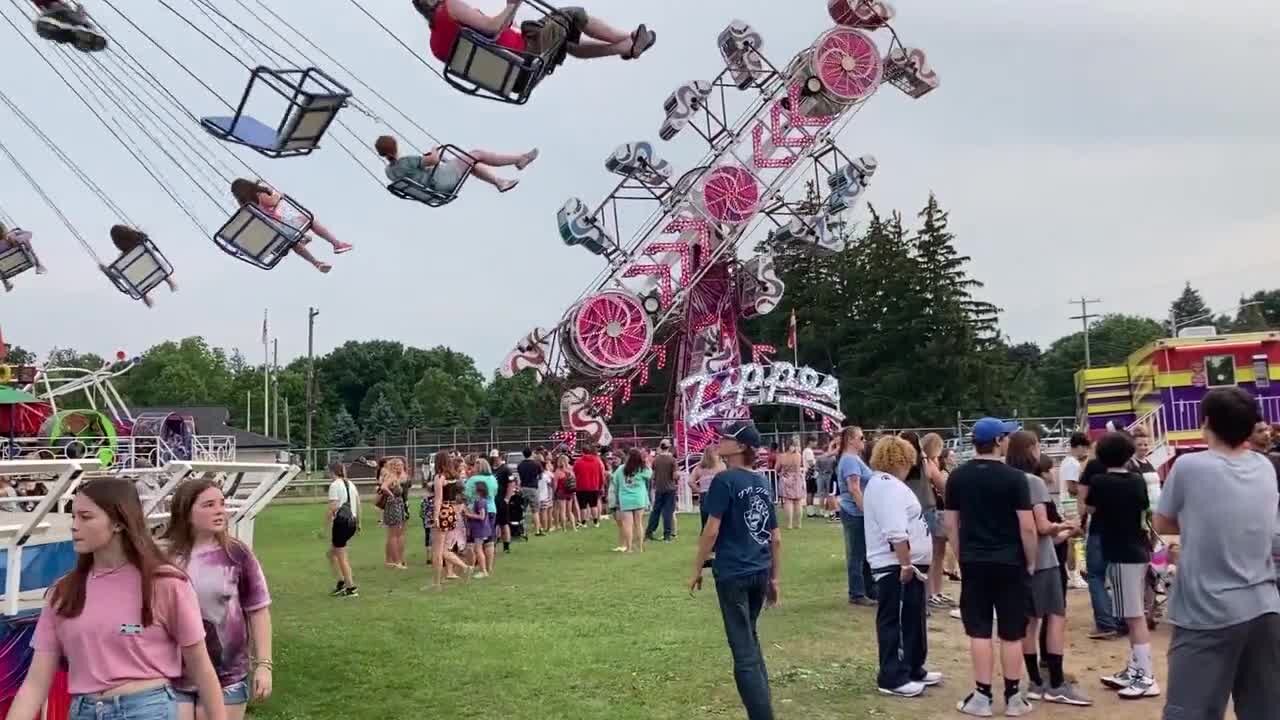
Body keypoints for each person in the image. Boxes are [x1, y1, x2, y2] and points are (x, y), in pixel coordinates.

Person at [7, 478, 226, 720]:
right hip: (83, 711)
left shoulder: (167, 584)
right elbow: (35, 684)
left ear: (119, 522)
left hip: (148, 710)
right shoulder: (63, 592)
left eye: (86, 517)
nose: (74, 526)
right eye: (73, 517)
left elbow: (202, 669)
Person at [1154, 388, 1280, 719]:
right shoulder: (1264, 466)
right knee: (1264, 709)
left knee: (1191, 710)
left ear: (1206, 423)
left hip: (1207, 610)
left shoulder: (1189, 467)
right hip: (1265, 606)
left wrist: (1198, 528)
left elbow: (1163, 521)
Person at [944, 417, 1037, 717]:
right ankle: (1012, 697)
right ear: (998, 441)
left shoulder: (957, 477)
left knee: (979, 631)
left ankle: (982, 696)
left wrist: (961, 557)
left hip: (974, 561)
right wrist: (1031, 560)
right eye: (1005, 436)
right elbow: (1027, 527)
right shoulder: (1014, 478)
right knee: (1011, 632)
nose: (1008, 440)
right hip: (1010, 562)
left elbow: (951, 524)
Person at [688, 420, 780, 720]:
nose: (719, 441)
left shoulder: (724, 481)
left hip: (733, 573)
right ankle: (764, 707)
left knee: (743, 650)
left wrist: (696, 568)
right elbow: (775, 537)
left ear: (741, 447)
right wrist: (774, 577)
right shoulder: (763, 482)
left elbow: (711, 531)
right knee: (750, 639)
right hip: (760, 569)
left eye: (727, 437)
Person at [162, 479, 274, 719]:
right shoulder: (162, 557)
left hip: (227, 676)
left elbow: (258, 610)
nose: (220, 510)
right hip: (173, 675)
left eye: (222, 503)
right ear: (185, 511)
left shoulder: (237, 554)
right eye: (209, 505)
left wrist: (264, 665)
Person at [1005, 433, 1091, 706]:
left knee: (1029, 622)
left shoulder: (1005, 480)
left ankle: (1033, 681)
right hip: (1042, 560)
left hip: (1013, 560)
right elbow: (1041, 527)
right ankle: (1055, 682)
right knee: (1055, 616)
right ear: (1031, 449)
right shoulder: (1033, 483)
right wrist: (1066, 527)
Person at [863, 435, 942, 698]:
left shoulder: (888, 485)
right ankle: (892, 676)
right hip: (896, 566)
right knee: (895, 620)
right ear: (904, 460)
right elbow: (895, 530)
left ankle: (912, 666)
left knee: (912, 618)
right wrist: (905, 563)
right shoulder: (887, 487)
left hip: (909, 564)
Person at [1087, 431, 1160, 700]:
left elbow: (1092, 509)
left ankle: (1146, 676)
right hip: (1137, 548)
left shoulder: (1099, 481)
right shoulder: (1137, 480)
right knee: (1132, 613)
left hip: (1120, 552)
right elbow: (1143, 508)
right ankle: (1135, 668)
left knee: (1133, 615)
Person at [412, 0, 656, 68]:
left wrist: (506, 25)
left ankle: (626, 47)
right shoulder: (450, 7)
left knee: (566, 45)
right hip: (527, 53)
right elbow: (491, 29)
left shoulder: (436, 45)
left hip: (517, 73)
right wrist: (512, 4)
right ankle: (629, 37)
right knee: (572, 14)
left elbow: (485, 44)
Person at [228, 179, 351, 273]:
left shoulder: (245, 207)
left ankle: (316, 263)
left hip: (275, 238)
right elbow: (274, 201)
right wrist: (277, 194)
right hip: (282, 230)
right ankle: (336, 244)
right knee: (308, 220)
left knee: (291, 242)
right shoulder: (259, 196)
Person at [375, 136, 537, 196]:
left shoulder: (389, 172)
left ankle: (500, 182)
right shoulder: (406, 161)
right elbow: (433, 160)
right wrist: (433, 151)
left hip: (434, 187)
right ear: (395, 147)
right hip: (442, 179)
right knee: (476, 153)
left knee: (468, 163)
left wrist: (428, 162)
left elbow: (417, 172)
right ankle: (519, 159)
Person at [1077, 448, 1125, 639]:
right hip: (1123, 531)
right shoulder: (1130, 472)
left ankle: (1106, 623)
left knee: (1096, 576)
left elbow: (1087, 505)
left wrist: (1081, 520)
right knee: (1119, 578)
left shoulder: (1094, 470)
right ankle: (1122, 620)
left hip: (1099, 529)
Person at [836, 426, 877, 606]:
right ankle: (857, 593)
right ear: (850, 439)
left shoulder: (852, 459)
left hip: (855, 511)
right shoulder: (850, 461)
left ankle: (869, 590)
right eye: (861, 438)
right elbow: (854, 488)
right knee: (856, 554)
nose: (864, 441)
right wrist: (865, 510)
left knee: (863, 553)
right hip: (854, 512)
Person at [919, 433, 952, 608]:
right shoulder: (929, 464)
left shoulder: (926, 463)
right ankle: (932, 592)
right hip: (935, 510)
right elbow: (942, 486)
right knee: (934, 555)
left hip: (935, 509)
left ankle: (936, 591)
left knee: (939, 555)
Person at [107, 225, 177, 308]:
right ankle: (169, 281)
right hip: (159, 272)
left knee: (129, 272)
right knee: (151, 258)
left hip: (140, 285)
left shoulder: (121, 260)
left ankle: (145, 297)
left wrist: (106, 271)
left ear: (116, 243)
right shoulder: (142, 244)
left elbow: (118, 276)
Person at [429, 451, 470, 588]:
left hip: (443, 511)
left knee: (437, 551)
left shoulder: (439, 477)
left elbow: (438, 499)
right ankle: (464, 567)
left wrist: (435, 517)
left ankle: (436, 582)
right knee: (445, 548)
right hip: (451, 511)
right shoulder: (453, 476)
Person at [1058, 432, 1090, 591]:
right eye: (1084, 448)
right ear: (1078, 446)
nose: (1085, 452)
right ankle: (1074, 575)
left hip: (1067, 502)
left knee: (1074, 539)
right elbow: (1072, 487)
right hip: (1071, 503)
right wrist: (1085, 491)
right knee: (1075, 539)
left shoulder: (1067, 461)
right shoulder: (1072, 463)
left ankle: (1075, 573)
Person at [326, 462, 359, 597]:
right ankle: (341, 581)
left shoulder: (334, 485)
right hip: (352, 522)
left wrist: (325, 525)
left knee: (341, 556)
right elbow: (358, 503)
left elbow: (333, 507)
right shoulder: (350, 484)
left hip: (342, 522)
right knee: (331, 554)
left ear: (331, 471)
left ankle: (350, 586)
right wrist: (359, 522)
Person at [610, 447, 651, 553]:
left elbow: (616, 483)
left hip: (625, 499)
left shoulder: (621, 469)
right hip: (639, 498)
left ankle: (629, 548)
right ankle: (641, 547)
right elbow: (650, 475)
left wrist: (617, 499)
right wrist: (646, 463)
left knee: (627, 524)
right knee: (639, 524)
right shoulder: (641, 469)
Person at [464, 458, 499, 571]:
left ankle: (471, 567)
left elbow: (466, 495)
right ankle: (489, 567)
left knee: (473, 541)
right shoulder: (493, 478)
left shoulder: (472, 479)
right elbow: (495, 492)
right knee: (489, 540)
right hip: (491, 509)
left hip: (476, 510)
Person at [32, 0, 106, 52]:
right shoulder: (78, 22)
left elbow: (80, 9)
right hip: (56, 12)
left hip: (54, 12)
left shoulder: (64, 34)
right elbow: (80, 9)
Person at [377, 458, 409, 569]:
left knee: (398, 533)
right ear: (393, 466)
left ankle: (396, 560)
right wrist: (391, 495)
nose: (400, 467)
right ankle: (396, 561)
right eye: (398, 465)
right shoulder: (391, 476)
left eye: (401, 465)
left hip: (398, 505)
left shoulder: (397, 476)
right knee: (393, 534)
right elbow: (383, 487)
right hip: (393, 505)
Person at [645, 440, 679, 541]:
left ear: (660, 447)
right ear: (669, 447)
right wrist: (677, 478)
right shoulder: (673, 460)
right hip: (670, 489)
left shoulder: (656, 460)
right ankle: (667, 535)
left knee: (656, 511)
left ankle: (649, 532)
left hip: (659, 488)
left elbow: (653, 475)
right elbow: (675, 475)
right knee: (668, 512)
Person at [0, 223, 47, 288]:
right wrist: (16, 240)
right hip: (24, 258)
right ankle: (38, 264)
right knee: (24, 241)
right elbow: (29, 234)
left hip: (5, 269)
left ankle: (5, 281)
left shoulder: (10, 237)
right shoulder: (13, 235)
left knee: (22, 240)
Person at [573, 444, 606, 527]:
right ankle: (596, 522)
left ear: (582, 452)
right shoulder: (596, 461)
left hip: (581, 487)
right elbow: (601, 474)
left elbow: (575, 473)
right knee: (593, 505)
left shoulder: (578, 462)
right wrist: (601, 484)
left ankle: (583, 522)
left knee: (583, 506)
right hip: (594, 486)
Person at [776, 437, 806, 530]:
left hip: (786, 478)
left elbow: (776, 468)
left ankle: (789, 524)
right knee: (798, 502)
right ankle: (798, 524)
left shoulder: (782, 456)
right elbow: (803, 466)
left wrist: (781, 473)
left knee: (788, 501)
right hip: (797, 478)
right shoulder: (799, 456)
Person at [515, 448, 543, 536]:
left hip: (523, 487)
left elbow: (520, 476)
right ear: (531, 454)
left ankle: (522, 530)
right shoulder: (536, 464)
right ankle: (537, 530)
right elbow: (540, 475)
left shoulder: (520, 465)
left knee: (522, 510)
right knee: (535, 510)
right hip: (533, 488)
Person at [552, 453, 577, 531]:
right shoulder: (571, 470)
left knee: (562, 511)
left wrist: (554, 492)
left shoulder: (558, 472)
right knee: (569, 511)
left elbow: (555, 485)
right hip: (570, 492)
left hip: (561, 492)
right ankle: (574, 527)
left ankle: (564, 528)